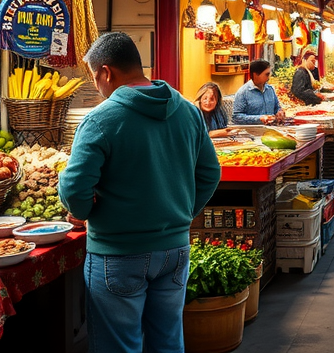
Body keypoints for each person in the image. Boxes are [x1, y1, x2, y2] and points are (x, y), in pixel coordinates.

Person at [58, 32, 220, 353]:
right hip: (175, 250)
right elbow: (210, 173)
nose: (96, 86)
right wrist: (183, 213)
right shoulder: (187, 110)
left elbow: (75, 190)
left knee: (119, 346)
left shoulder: (100, 119)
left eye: (94, 78)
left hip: (117, 254)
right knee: (168, 341)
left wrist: (83, 211)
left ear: (106, 72)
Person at [232, 59, 287, 126]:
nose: (269, 77)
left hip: (272, 130)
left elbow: (277, 107)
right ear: (255, 75)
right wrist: (259, 119)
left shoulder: (270, 89)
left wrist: (280, 112)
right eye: (267, 74)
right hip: (253, 132)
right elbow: (236, 117)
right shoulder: (243, 93)